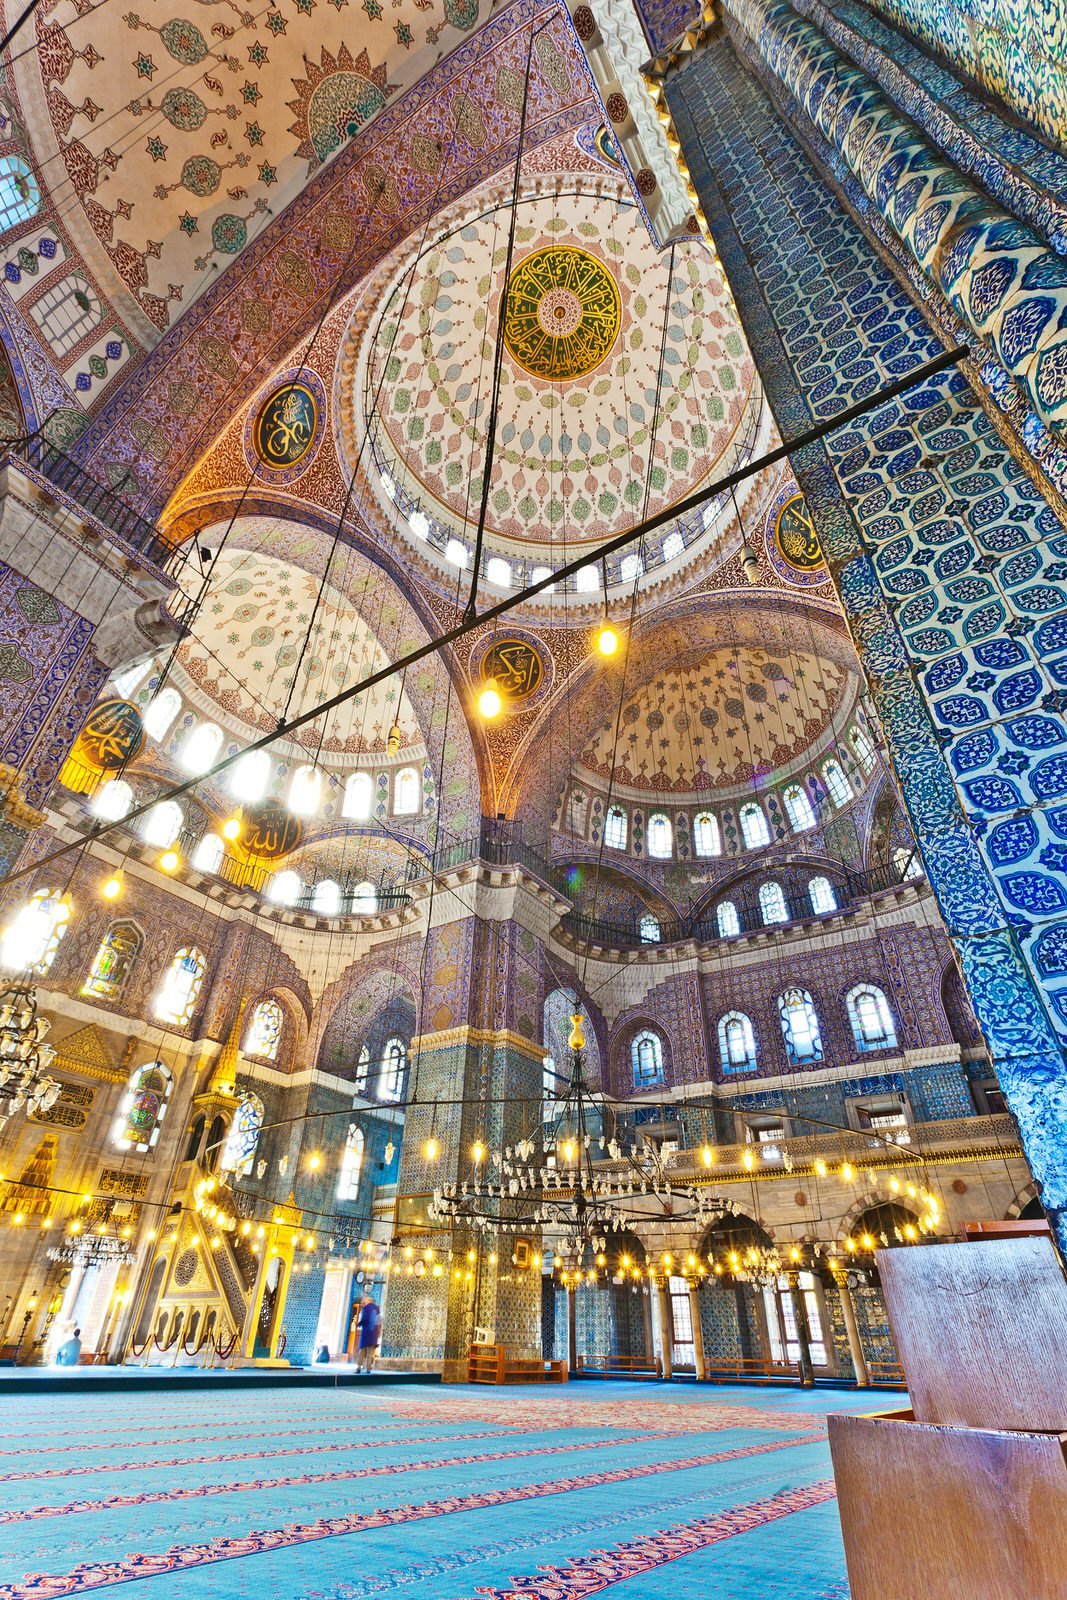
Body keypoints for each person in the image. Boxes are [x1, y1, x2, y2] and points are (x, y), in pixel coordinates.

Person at [356, 1294, 381, 1372]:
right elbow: (379, 1321)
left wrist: (359, 1324)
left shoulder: (365, 1308)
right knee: (371, 1352)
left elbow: (364, 1319)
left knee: (362, 1351)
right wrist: (378, 1333)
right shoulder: (377, 1309)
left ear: (367, 1301)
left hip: (366, 1333)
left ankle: (359, 1367)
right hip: (374, 1334)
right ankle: (368, 1368)